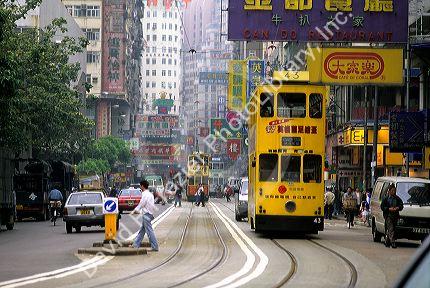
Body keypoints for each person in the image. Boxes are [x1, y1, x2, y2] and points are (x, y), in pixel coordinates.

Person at [131, 180, 159, 251]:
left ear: (142, 186)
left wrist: (135, 210)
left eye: (140, 186)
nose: (140, 187)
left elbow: (142, 203)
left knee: (149, 231)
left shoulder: (144, 194)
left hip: (146, 214)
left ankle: (155, 246)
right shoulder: (150, 194)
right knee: (142, 231)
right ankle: (135, 244)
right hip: (149, 214)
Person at [380, 184, 404, 248]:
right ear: (389, 191)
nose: (394, 192)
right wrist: (388, 209)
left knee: (393, 229)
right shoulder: (386, 198)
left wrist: (397, 208)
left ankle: (387, 241)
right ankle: (393, 242)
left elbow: (401, 206)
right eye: (392, 191)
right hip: (388, 215)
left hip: (395, 216)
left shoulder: (397, 198)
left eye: (395, 191)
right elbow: (382, 207)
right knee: (390, 228)